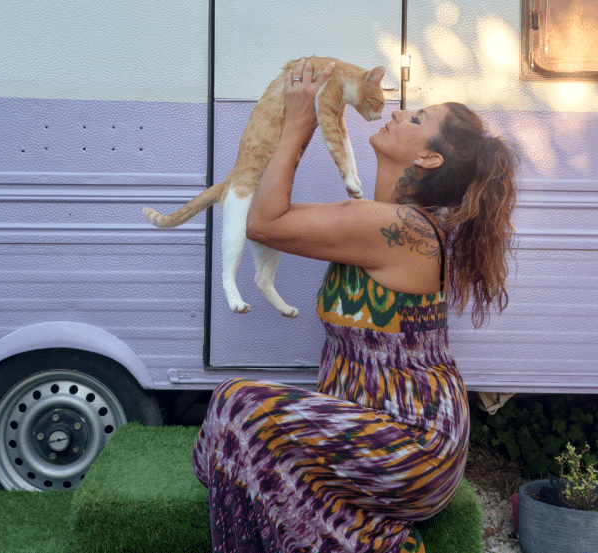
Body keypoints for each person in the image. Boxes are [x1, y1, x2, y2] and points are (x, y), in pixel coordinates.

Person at [191, 57, 517, 553]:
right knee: (226, 427)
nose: (400, 112)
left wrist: (297, 126)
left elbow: (265, 223)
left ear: (428, 159)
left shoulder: (401, 230)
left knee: (239, 408)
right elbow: (273, 214)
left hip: (414, 445)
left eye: (417, 119)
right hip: (369, 429)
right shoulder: (374, 220)